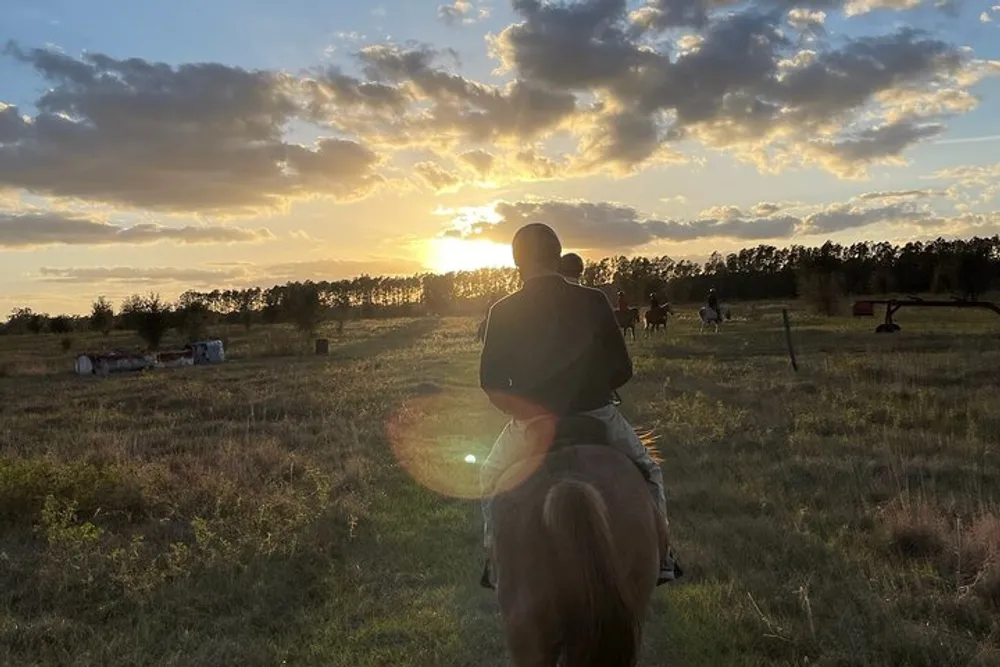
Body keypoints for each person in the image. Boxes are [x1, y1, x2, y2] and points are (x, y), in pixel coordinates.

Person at [478, 222, 677, 589]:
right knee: (649, 473)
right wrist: (593, 388)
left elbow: (490, 383)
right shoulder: (593, 300)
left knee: (490, 476)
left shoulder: (503, 310)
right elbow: (622, 368)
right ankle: (663, 557)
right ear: (557, 256)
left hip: (531, 423)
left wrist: (526, 412)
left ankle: (496, 562)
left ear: (516, 261)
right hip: (596, 414)